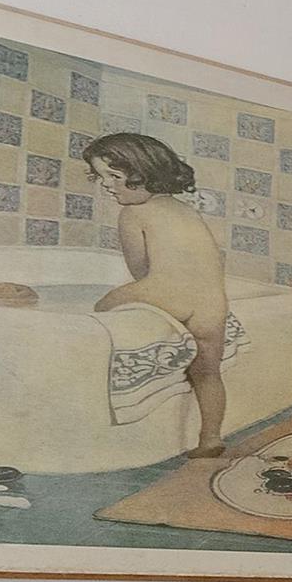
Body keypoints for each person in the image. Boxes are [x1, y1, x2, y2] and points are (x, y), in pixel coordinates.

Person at [84, 133, 232, 458]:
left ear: (142, 174)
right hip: (211, 302)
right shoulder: (183, 210)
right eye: (101, 176)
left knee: (96, 313)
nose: (106, 185)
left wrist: (131, 300)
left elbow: (140, 270)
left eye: (115, 177)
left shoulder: (132, 214)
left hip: (164, 289)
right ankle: (210, 439)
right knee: (207, 372)